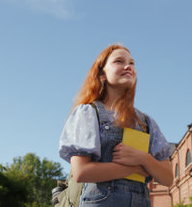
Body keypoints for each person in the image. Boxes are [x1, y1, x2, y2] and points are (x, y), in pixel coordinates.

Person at [59, 44, 173, 206]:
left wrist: (142, 158)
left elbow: (168, 178)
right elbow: (81, 172)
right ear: (101, 74)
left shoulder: (147, 123)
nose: (128, 66)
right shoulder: (88, 113)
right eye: (119, 61)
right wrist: (134, 169)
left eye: (132, 63)